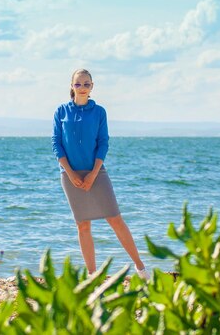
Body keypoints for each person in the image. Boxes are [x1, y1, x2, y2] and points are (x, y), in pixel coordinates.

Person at [52, 68, 150, 280]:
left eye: (87, 84)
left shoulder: (99, 112)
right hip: (70, 175)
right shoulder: (61, 112)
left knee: (115, 219)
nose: (82, 88)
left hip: (97, 172)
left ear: (92, 87)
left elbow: (103, 143)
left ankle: (141, 269)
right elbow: (57, 144)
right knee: (83, 225)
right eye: (78, 84)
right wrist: (70, 173)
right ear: (72, 86)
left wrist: (93, 174)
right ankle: (92, 276)